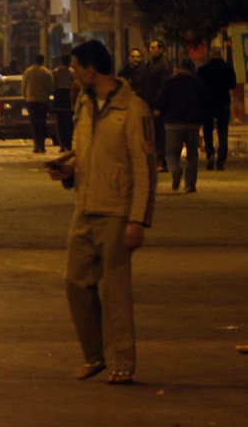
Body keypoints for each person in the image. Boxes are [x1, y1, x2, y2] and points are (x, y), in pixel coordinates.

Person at [47, 39, 155, 386]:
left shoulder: (133, 108)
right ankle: (95, 355)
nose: (74, 74)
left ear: (93, 69)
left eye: (77, 67)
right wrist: (68, 172)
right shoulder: (84, 103)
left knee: (115, 291)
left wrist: (137, 219)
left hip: (117, 212)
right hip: (85, 208)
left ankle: (122, 361)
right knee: (75, 283)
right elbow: (84, 152)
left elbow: (144, 168)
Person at [156, 59, 209, 193]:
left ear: (179, 68)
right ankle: (190, 185)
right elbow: (206, 102)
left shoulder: (170, 83)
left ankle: (175, 169)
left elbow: (161, 101)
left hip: (173, 123)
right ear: (192, 69)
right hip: (193, 124)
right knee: (192, 155)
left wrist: (161, 114)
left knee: (171, 152)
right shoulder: (199, 83)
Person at [197, 47, 237, 171]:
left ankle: (210, 155)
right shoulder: (228, 68)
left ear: (210, 55)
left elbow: (198, 86)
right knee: (222, 132)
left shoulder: (203, 69)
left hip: (207, 104)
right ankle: (221, 160)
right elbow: (232, 85)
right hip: (223, 102)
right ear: (220, 55)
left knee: (208, 131)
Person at [136, 39, 172, 173]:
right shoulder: (151, 64)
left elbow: (163, 87)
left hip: (157, 106)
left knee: (159, 133)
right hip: (148, 104)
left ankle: (163, 160)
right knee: (151, 132)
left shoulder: (164, 65)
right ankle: (155, 158)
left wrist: (158, 105)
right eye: (150, 48)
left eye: (153, 48)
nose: (150, 50)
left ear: (161, 49)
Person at [22, 54, 56, 154]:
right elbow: (52, 88)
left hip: (31, 101)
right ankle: (42, 145)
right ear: (43, 61)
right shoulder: (46, 72)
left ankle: (36, 144)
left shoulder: (28, 72)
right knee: (42, 123)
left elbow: (23, 86)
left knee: (34, 123)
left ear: (34, 60)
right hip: (43, 101)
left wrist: (26, 96)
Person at [52, 54, 76, 153]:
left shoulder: (55, 72)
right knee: (69, 123)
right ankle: (69, 145)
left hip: (59, 97)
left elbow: (53, 85)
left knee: (60, 122)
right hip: (69, 97)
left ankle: (62, 145)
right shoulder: (73, 72)